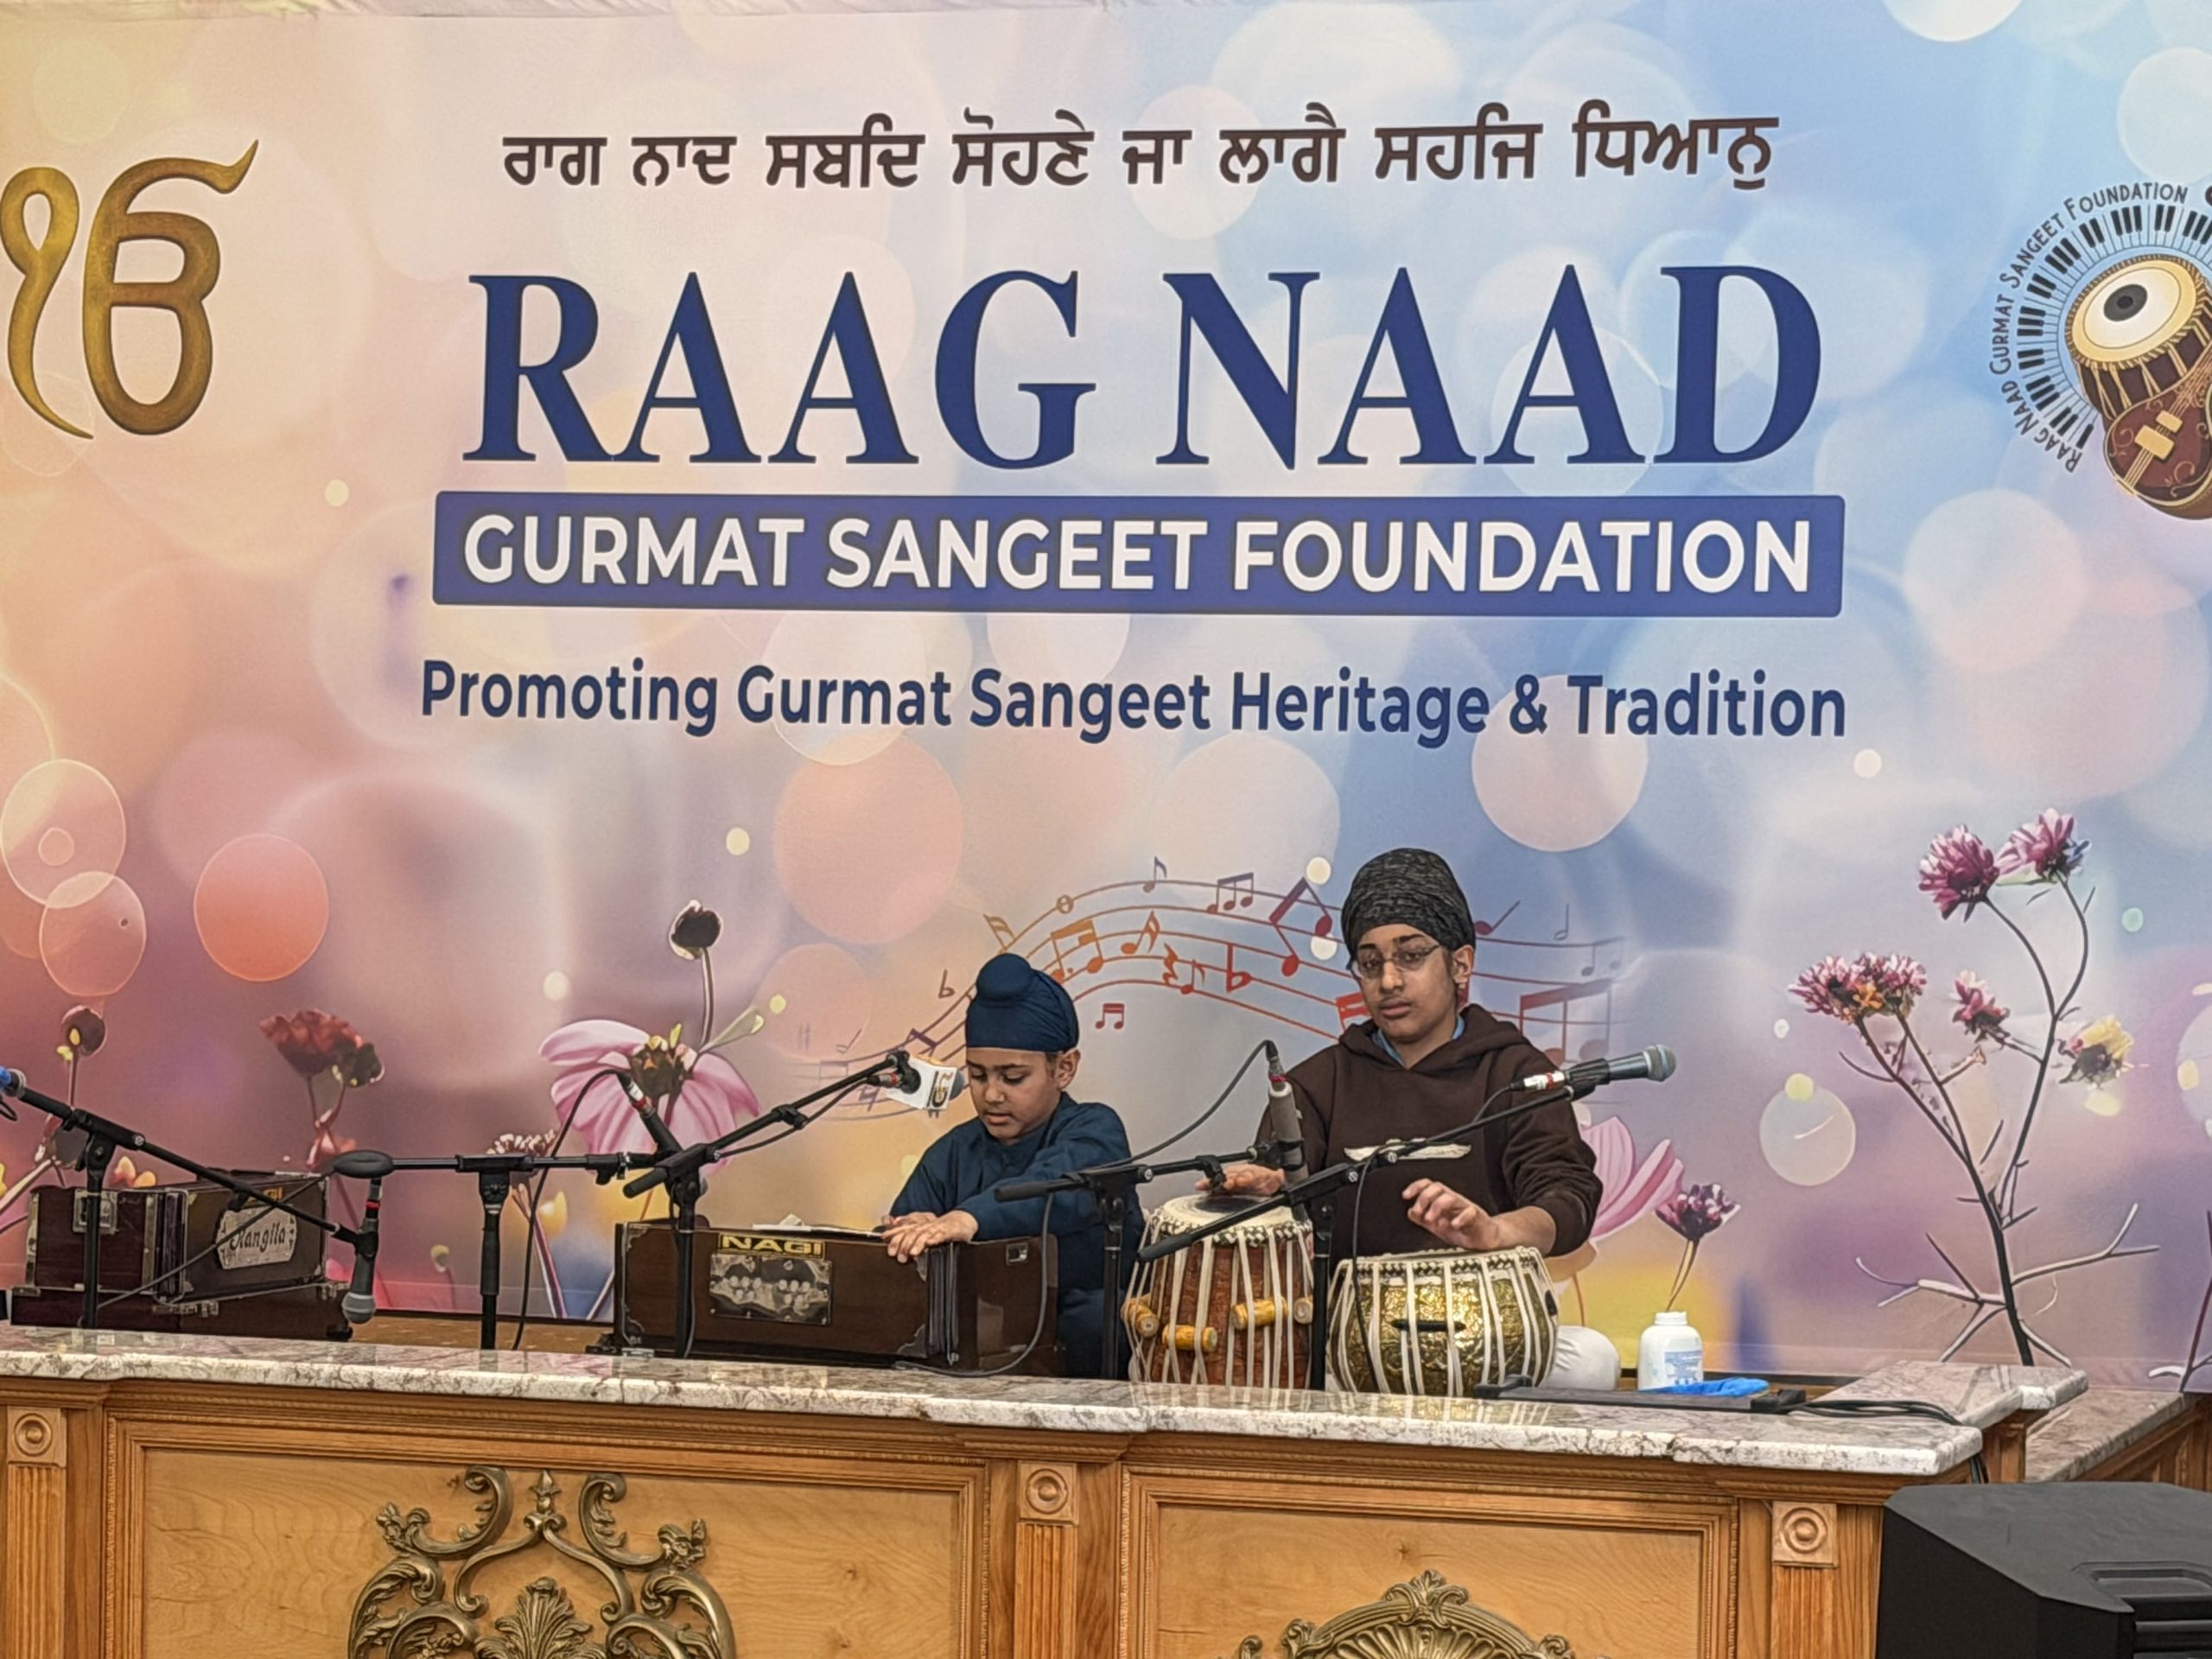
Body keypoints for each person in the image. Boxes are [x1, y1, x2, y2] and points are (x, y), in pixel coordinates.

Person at [1216, 848, 1621, 1389]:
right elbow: (1282, 1187)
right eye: (1370, 963)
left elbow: (1567, 1200)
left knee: (1592, 1362)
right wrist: (1270, 1193)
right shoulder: (1317, 1083)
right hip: (1351, 1342)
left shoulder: (1515, 1073)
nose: (1388, 981)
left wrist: (1495, 1232)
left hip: (1490, 1337)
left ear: (1460, 964)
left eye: (1410, 956)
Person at [884, 952, 1144, 1376]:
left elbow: (1053, 1188)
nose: (992, 1094)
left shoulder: (1097, 1132)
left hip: (1082, 1372)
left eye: (1013, 1077)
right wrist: (908, 1234)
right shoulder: (953, 1152)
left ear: (1064, 1069)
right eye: (979, 1075)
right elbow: (895, 1265)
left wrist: (967, 1219)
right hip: (964, 1369)